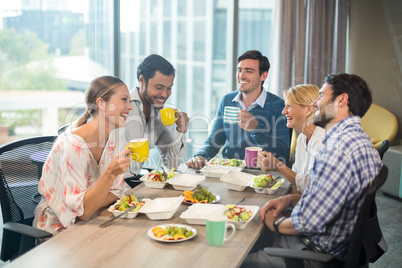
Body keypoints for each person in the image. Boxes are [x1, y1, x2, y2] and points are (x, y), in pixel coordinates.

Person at [242, 73, 382, 267]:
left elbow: (308, 222)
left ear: (342, 100)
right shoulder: (355, 139)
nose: (316, 103)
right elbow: (333, 200)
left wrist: (273, 224)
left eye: (322, 96)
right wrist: (291, 199)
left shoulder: (338, 149)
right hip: (328, 242)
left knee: (239, 254)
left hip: (315, 252)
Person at [33, 76, 133, 235]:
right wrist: (109, 174)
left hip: (97, 218)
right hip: (60, 230)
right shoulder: (73, 145)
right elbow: (83, 213)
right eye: (124, 100)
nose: (130, 107)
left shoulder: (114, 137)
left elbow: (117, 191)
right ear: (101, 103)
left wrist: (92, 202)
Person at [186, 50, 289, 169]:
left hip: (261, 172)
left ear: (263, 75)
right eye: (239, 70)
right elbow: (215, 140)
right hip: (229, 169)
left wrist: (256, 129)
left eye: (249, 71)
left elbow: (283, 153)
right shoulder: (227, 100)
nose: (241, 76)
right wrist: (200, 156)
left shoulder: (278, 105)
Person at [121, 54, 189, 178]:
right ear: (142, 80)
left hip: (134, 185)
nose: (164, 94)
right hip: (110, 188)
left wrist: (180, 131)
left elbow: (171, 164)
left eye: (169, 88)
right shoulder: (121, 107)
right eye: (159, 87)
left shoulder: (162, 117)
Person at [257, 84, 325, 194]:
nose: (283, 111)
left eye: (289, 106)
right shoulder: (302, 138)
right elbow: (296, 180)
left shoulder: (321, 142)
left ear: (308, 109)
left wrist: (278, 166)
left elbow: (309, 186)